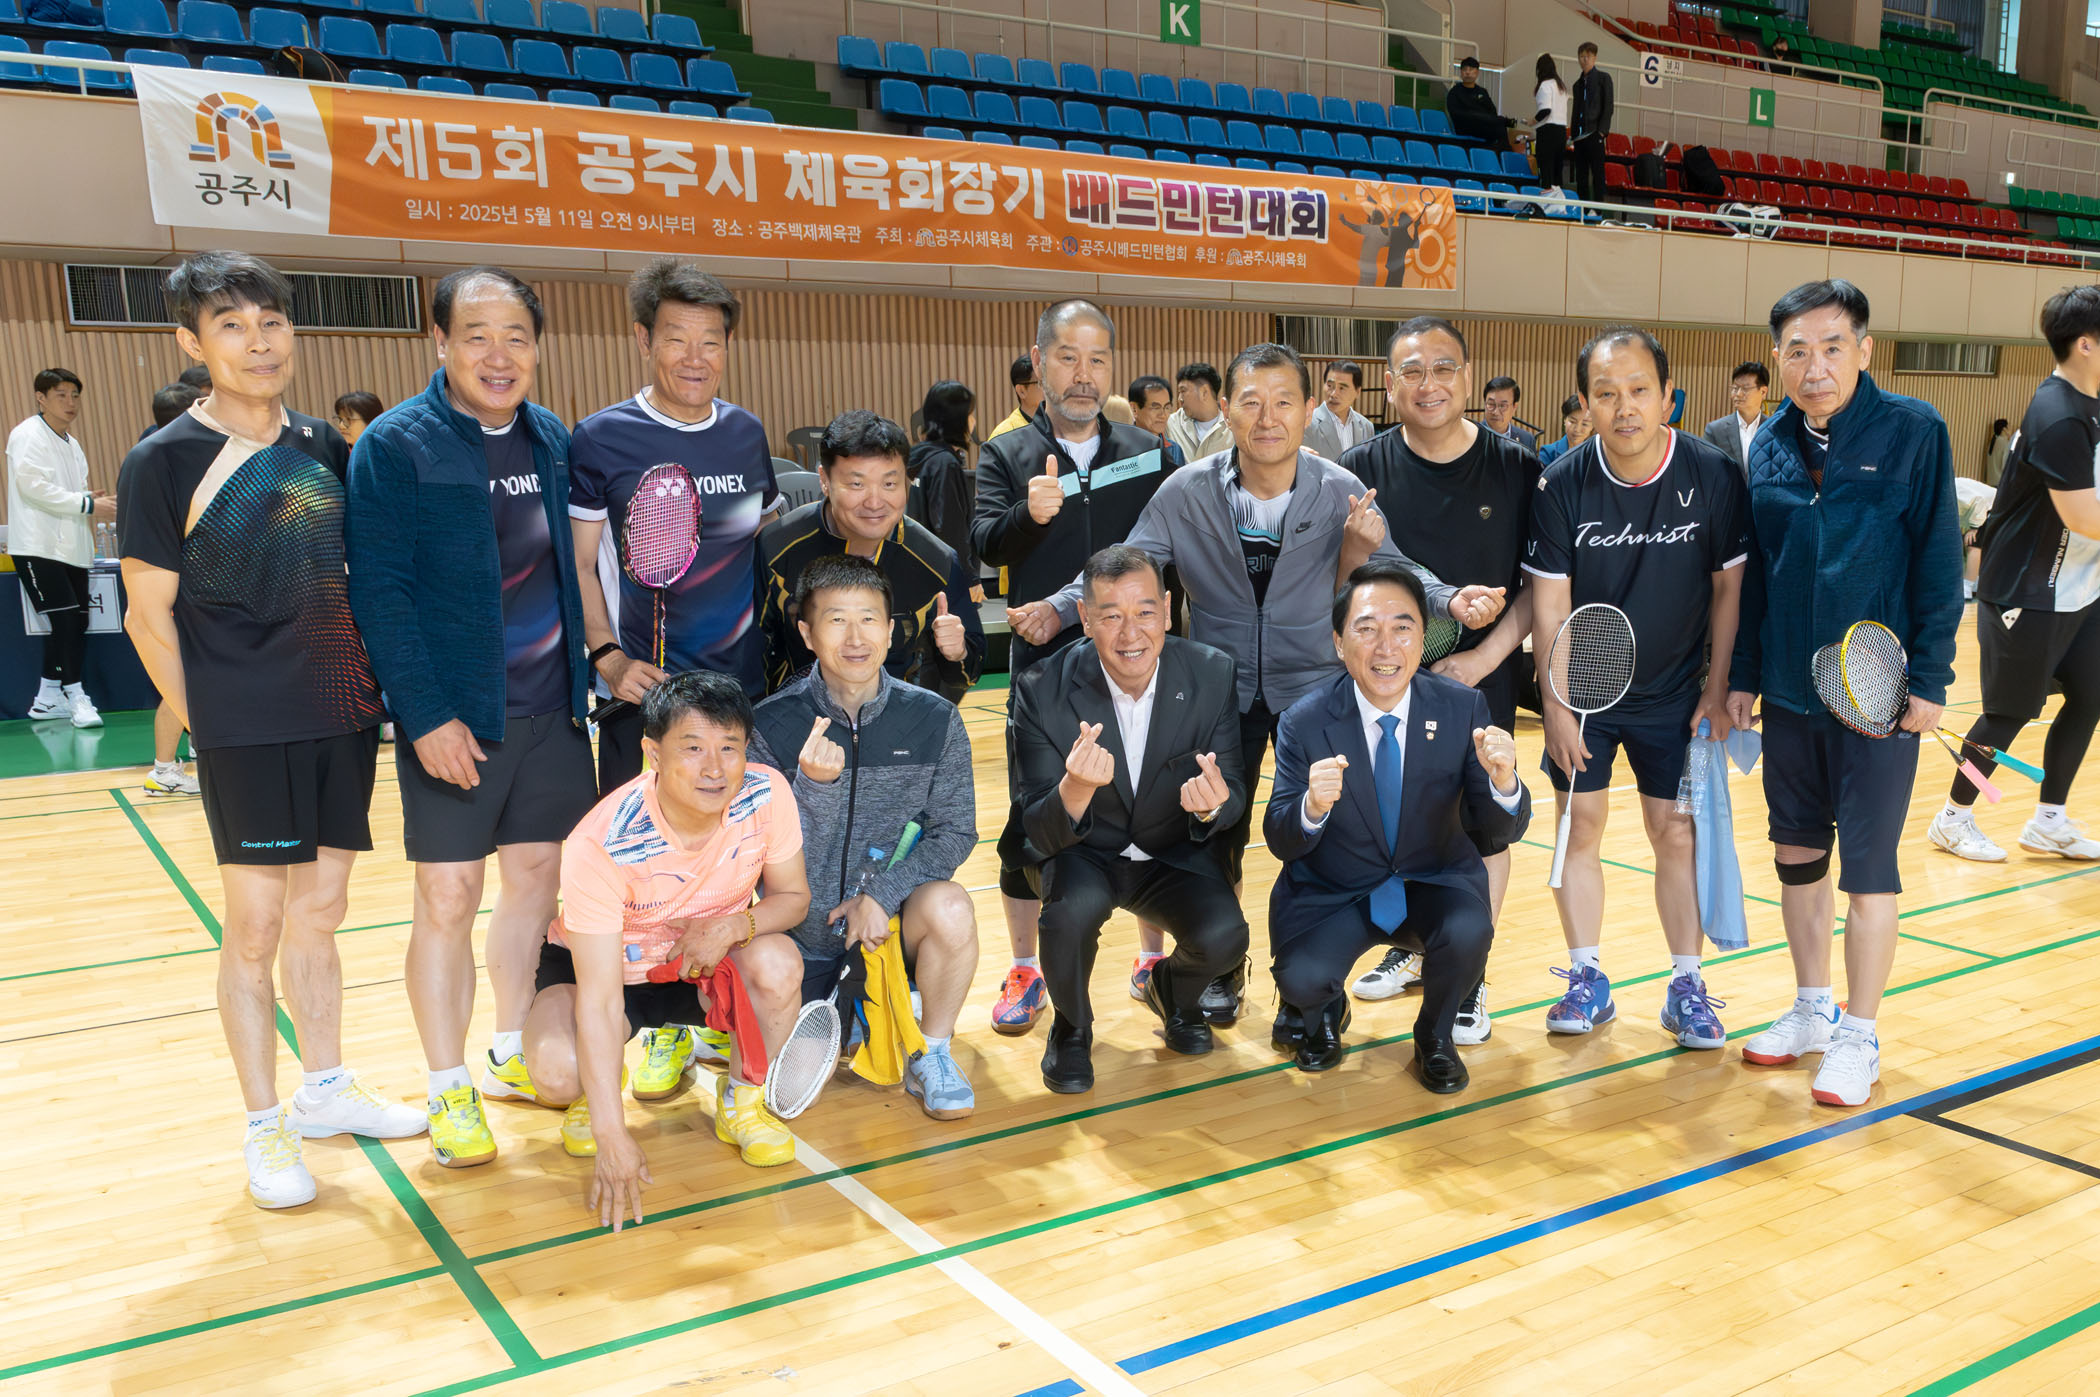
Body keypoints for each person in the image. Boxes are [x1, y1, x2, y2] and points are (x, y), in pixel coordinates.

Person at [1023, 343, 1505, 965]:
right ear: (1226, 409)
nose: (1268, 418)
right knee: (1209, 834)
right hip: (1217, 695)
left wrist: (1449, 598)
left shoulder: (1340, 490)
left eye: (1284, 402)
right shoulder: (1185, 491)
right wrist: (1058, 608)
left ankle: (1313, 966)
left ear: (1307, 409)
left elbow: (1394, 566)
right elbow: (1127, 567)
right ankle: (1219, 967)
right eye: (1251, 403)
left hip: (1316, 690)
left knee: (1330, 827)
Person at [117, 250, 422, 1209]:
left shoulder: (323, 444)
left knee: (321, 912)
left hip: (340, 714)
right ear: (192, 341)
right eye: (232, 326)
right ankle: (264, 1122)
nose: (259, 343)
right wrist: (212, 727)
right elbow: (145, 617)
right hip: (245, 731)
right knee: (252, 929)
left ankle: (324, 1087)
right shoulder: (164, 461)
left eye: (272, 323)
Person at [347, 265, 598, 1168]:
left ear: (538, 347)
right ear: (441, 342)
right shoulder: (395, 444)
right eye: (477, 336)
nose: (499, 356)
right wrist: (423, 716)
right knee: (447, 896)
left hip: (553, 715)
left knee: (536, 884)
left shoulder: (552, 437)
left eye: (516, 337)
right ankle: (448, 1082)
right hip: (455, 720)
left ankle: (507, 1046)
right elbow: (379, 591)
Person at [1726, 279, 1962, 1109]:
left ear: (1865, 350)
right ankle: (1812, 1008)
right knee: (1796, 858)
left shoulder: (1915, 431)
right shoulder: (1770, 443)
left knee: (1869, 873)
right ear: (1778, 360)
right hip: (1790, 694)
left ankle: (1859, 1033)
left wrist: (1929, 677)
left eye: (1832, 347)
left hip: (1876, 698)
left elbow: (1939, 561)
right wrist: (1745, 674)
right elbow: (1759, 574)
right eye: (1797, 350)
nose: (1814, 366)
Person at [1527, 325, 1748, 1052]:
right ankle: (1586, 976)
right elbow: (1550, 604)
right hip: (1585, 694)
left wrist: (1717, 687)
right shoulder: (1561, 483)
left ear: (1667, 395)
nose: (1623, 407)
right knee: (1578, 827)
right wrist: (1556, 707)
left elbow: (1729, 589)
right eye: (1605, 393)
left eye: (1638, 390)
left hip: (1676, 695)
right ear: (1584, 403)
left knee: (1675, 832)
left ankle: (1688, 986)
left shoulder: (1712, 473)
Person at [526, 671, 812, 1216]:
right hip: (610, 973)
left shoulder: (765, 793)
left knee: (778, 962)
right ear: (653, 754)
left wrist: (732, 927)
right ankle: (598, 1088)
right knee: (557, 1072)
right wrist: (612, 1135)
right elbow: (600, 1001)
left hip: (706, 960)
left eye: (729, 747)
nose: (714, 768)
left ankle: (742, 1101)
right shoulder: (601, 843)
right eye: (693, 747)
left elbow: (794, 899)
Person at [971, 300, 1175, 1034]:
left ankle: (1151, 959)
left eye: (1096, 359)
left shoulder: (1150, 451)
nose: (1083, 375)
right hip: (1044, 672)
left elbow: (1172, 544)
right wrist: (1028, 516)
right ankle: (1025, 967)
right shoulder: (1005, 454)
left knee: (1151, 810)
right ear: (1040, 362)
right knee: (1030, 821)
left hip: (1136, 666)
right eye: (1067, 357)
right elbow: (985, 543)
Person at [1339, 317, 1539, 1029]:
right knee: (1404, 821)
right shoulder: (1359, 468)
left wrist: (1482, 659)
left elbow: (1540, 587)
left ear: (1467, 376)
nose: (1430, 385)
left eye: (1444, 368)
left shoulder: (1517, 468)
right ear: (1389, 383)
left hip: (1479, 678)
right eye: (1412, 371)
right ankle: (1417, 947)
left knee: (1481, 828)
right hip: (1386, 681)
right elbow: (1350, 582)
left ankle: (1469, 971)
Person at [1267, 561, 1530, 1091]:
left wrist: (1504, 783)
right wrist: (1311, 807)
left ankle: (1435, 1036)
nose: (1386, 647)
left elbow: (1498, 832)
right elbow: (1280, 838)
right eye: (1366, 629)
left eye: (1402, 627)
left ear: (1422, 636)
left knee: (1469, 932)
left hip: (1432, 881)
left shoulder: (1462, 708)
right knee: (1302, 977)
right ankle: (1323, 1010)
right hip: (1336, 890)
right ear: (1339, 642)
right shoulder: (1304, 720)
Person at [1011, 545, 1249, 1092]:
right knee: (1067, 918)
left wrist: (1214, 803)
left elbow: (1234, 788)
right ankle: (1072, 1027)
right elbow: (1035, 827)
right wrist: (1075, 788)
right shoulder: (1041, 688)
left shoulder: (1212, 672)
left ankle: (1171, 991)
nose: (1130, 633)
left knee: (1227, 936)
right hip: (1085, 851)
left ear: (1167, 609)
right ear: (1085, 618)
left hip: (1170, 851)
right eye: (1111, 616)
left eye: (1144, 612)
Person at [751, 554, 982, 1117]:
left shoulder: (934, 719)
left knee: (951, 906)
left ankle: (930, 1051)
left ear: (891, 630)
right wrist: (814, 788)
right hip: (801, 938)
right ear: (807, 634)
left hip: (886, 930)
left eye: (869, 619)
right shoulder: (769, 725)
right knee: (788, 1086)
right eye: (836, 621)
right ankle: (851, 1013)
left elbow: (956, 832)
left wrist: (881, 894)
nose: (855, 638)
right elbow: (758, 851)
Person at [570, 258, 778, 795]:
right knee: (639, 841)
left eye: (710, 342)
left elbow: (765, 539)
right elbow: (579, 565)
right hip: (644, 694)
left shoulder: (746, 432)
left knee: (739, 836)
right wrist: (609, 659)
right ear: (644, 340)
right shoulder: (601, 438)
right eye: (676, 340)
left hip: (740, 691)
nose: (695, 359)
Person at [1929, 286, 2100, 866]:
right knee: (2007, 714)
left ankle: (2049, 821)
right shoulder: (2059, 416)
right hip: (2028, 589)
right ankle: (1953, 818)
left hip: (2078, 587)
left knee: (2091, 695)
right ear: (2084, 344)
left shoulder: (2089, 405)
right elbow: (2083, 516)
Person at [760, 409, 983, 701]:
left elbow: (968, 670)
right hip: (798, 715)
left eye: (889, 484)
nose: (875, 502)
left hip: (896, 719)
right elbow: (755, 653)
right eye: (857, 484)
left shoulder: (936, 561)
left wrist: (957, 652)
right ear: (824, 480)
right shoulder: (776, 548)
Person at [8, 367, 111, 728]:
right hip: (38, 546)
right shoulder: (27, 435)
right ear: (41, 398)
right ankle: (76, 696)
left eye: (75, 395)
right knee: (66, 620)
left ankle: (47, 699)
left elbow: (66, 493)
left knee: (75, 621)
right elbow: (32, 487)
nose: (70, 403)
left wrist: (85, 497)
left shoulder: (73, 443)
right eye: (61, 395)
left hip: (72, 547)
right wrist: (86, 503)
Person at [141, 379, 205, 797]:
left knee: (185, 677)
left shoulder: (166, 460)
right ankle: (164, 768)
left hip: (182, 591)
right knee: (180, 678)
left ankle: (175, 761)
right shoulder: (162, 465)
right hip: (178, 593)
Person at [909, 380, 982, 604]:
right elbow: (950, 527)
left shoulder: (920, 458)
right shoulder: (944, 464)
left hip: (921, 572)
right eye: (970, 414)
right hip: (947, 578)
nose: (973, 421)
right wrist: (970, 577)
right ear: (957, 419)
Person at [1702, 360, 1770, 477]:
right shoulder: (1715, 431)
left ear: (1763, 392)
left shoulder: (1774, 430)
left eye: (1745, 389)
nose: (1738, 394)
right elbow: (1706, 471)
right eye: (1735, 388)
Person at [1303, 359, 1376, 463]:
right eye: (1330, 386)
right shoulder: (1307, 423)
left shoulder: (1366, 426)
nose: (1333, 394)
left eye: (1342, 388)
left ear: (1357, 391)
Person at [1569, 42, 1614, 205]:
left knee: (1597, 174)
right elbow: (1576, 110)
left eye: (1587, 56)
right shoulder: (1577, 84)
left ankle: (1598, 209)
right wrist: (1573, 135)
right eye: (1581, 56)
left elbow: (1608, 106)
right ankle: (1584, 208)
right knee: (1581, 176)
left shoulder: (1604, 78)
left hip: (1595, 133)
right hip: (1580, 137)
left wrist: (1602, 132)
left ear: (1594, 57)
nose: (1584, 59)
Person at [1166, 362, 1232, 462]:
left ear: (1204, 392)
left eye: (1183, 391)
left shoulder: (1233, 427)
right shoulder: (1170, 424)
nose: (1180, 399)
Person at [1445, 55, 1512, 148]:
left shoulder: (1482, 92)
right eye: (1464, 69)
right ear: (1461, 72)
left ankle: (1503, 154)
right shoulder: (1454, 92)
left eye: (1471, 69)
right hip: (1465, 127)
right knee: (1500, 124)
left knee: (1500, 126)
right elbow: (1456, 114)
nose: (1467, 72)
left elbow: (1492, 111)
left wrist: (1486, 119)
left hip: (1483, 125)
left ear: (1477, 72)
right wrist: (1478, 116)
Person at [1127, 374, 1186, 467]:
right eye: (1155, 407)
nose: (1163, 415)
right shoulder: (1120, 448)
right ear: (1134, 409)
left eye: (1167, 407)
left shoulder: (1174, 450)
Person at [1533, 53, 1570, 193]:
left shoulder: (1545, 85)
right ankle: (1558, 201)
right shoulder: (1561, 87)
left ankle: (1546, 201)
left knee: (1546, 170)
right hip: (1561, 131)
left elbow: (1545, 110)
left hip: (1547, 131)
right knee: (1557, 172)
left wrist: (1532, 121)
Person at [986, 354, 1041, 440]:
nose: (1050, 388)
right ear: (1021, 391)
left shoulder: (1059, 427)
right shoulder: (1003, 435)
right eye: (1041, 383)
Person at [1480, 376, 1537, 454]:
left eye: (1502, 406)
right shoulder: (1471, 435)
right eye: (1491, 404)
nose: (1495, 412)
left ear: (1514, 407)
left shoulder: (1527, 440)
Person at [1537, 394, 1593, 466]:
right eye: (1572, 421)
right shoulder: (1548, 453)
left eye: (1584, 424)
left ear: (1593, 426)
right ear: (1564, 420)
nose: (1577, 429)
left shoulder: (1596, 454)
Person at [1984, 417, 2011, 485]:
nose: (2011, 430)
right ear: (2004, 429)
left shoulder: (1992, 442)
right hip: (1999, 482)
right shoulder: (2005, 443)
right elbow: (2005, 465)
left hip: (1990, 481)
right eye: (2009, 428)